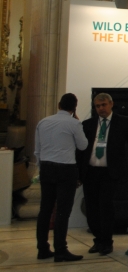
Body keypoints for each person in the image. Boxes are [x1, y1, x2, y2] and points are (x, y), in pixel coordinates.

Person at [79, 92, 128, 255]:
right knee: (91, 209)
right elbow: (81, 149)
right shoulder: (88, 124)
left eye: (103, 105)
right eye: (98, 106)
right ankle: (98, 240)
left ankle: (107, 242)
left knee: (105, 207)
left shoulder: (123, 122)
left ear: (111, 104)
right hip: (91, 172)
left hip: (109, 172)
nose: (101, 108)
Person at [35, 93, 88, 261]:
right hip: (66, 169)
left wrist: (42, 167)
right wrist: (77, 124)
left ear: (59, 105)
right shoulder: (74, 123)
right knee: (62, 212)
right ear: (74, 108)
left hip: (46, 167)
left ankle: (42, 248)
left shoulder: (43, 122)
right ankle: (60, 249)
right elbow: (83, 145)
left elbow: (37, 150)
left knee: (45, 210)